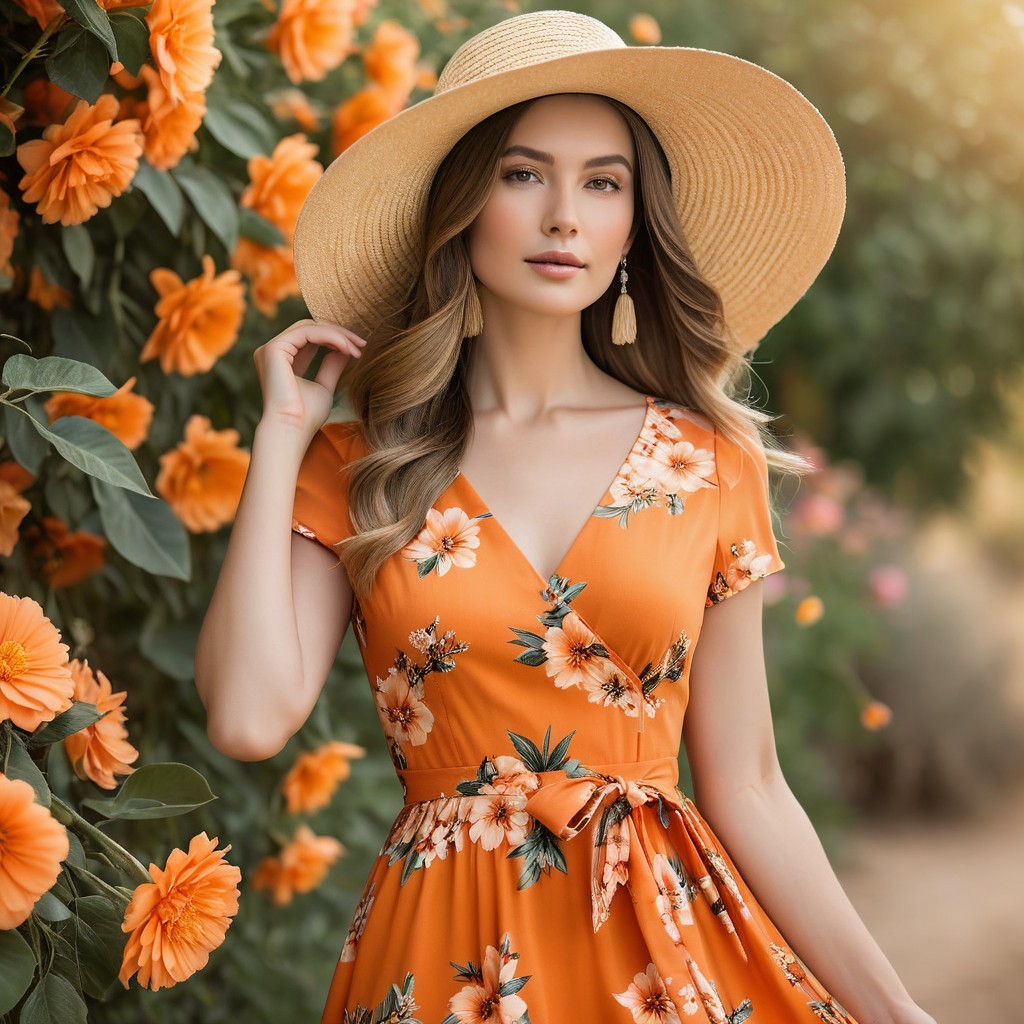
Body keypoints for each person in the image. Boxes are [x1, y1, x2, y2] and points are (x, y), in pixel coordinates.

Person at [195, 11, 938, 1024]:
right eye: (520, 173)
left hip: (658, 956)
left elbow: (750, 786)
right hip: (443, 964)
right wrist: (281, 439)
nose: (563, 217)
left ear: (635, 222)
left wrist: (900, 1013)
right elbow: (245, 717)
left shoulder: (702, 459)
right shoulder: (359, 465)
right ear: (460, 205)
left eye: (602, 181)